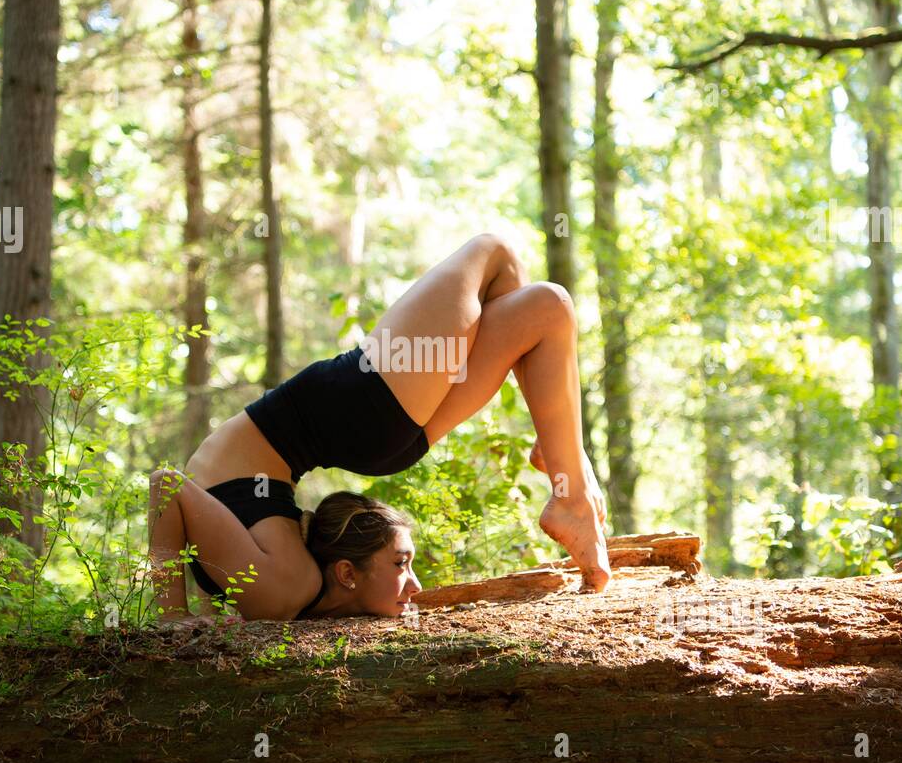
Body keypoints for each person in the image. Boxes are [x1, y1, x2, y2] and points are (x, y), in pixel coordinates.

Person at [148, 232, 610, 626]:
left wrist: (177, 615)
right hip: (359, 411)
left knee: (539, 309)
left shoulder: (290, 590)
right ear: (347, 573)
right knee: (506, 261)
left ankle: (563, 459)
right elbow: (168, 486)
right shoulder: (290, 590)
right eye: (400, 563)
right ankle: (567, 477)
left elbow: (173, 489)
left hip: (377, 431)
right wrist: (172, 614)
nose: (415, 584)